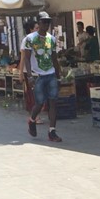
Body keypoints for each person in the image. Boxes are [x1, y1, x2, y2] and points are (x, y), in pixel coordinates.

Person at [23, 12, 63, 142]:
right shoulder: (29, 39)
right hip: (37, 74)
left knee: (53, 102)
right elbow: (27, 59)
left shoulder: (51, 39)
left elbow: (54, 58)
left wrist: (58, 76)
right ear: (38, 23)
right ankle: (32, 120)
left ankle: (52, 131)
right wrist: (29, 76)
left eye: (48, 22)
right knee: (39, 103)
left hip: (50, 73)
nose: (46, 24)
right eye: (44, 22)